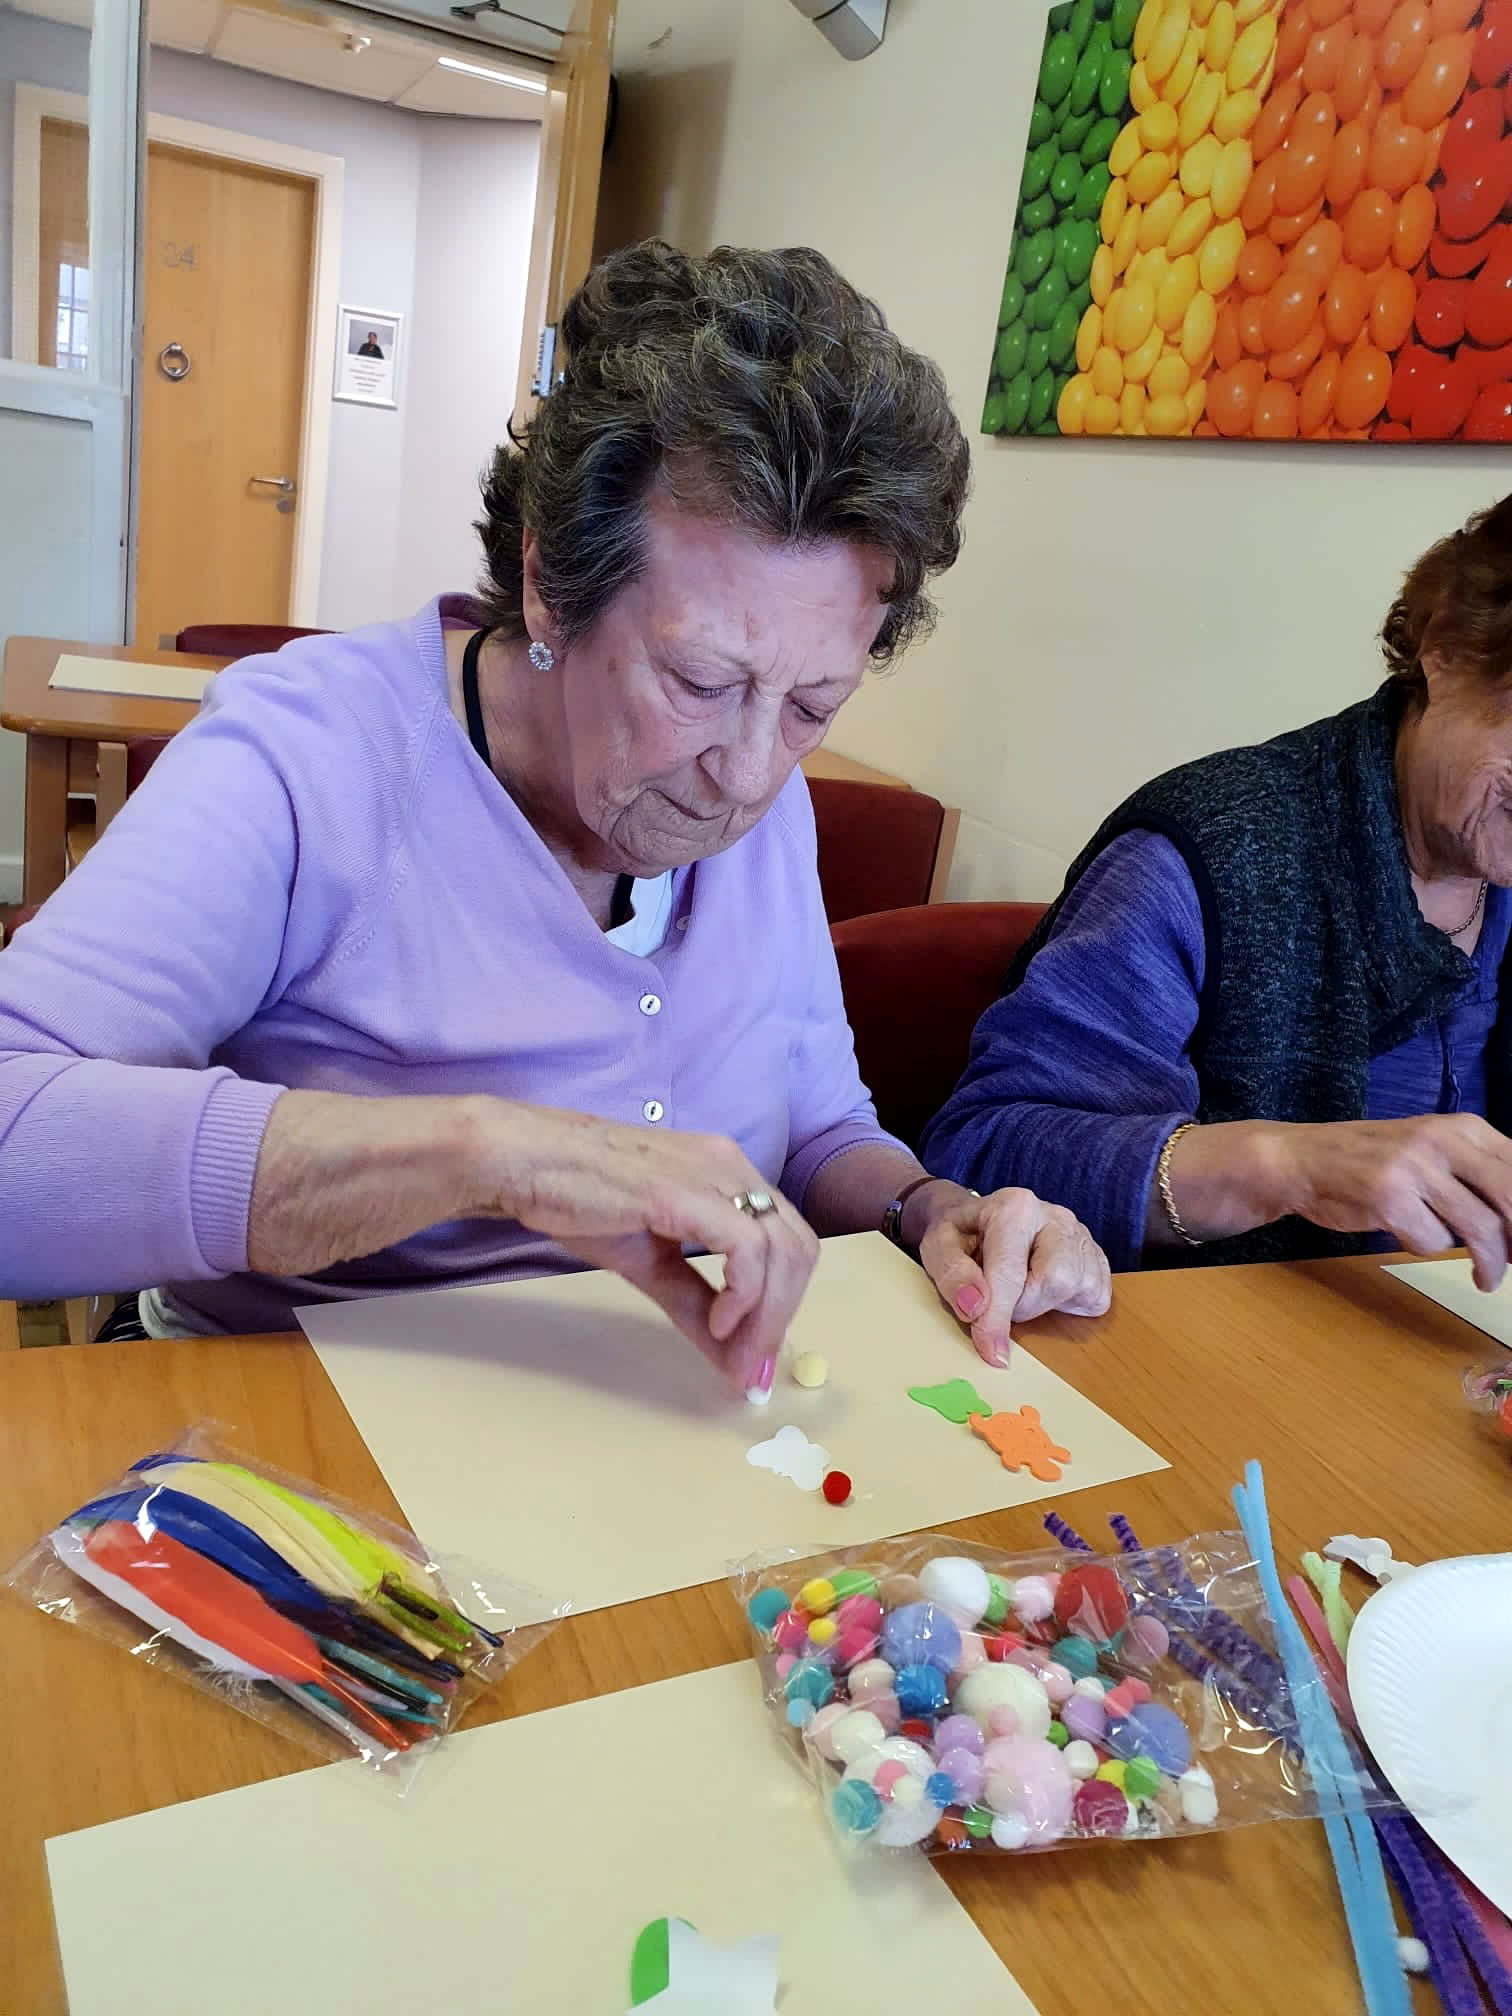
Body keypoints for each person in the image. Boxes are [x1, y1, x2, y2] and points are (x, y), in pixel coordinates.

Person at [0, 240, 1110, 1388]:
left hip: (646, 1424)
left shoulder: (757, 797)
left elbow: (820, 1125)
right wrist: (489, 1153)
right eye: (699, 682)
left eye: (812, 705)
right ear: (549, 586)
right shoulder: (309, 755)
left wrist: (927, 1209)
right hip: (291, 1414)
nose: (748, 776)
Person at [924, 493, 1512, 1288]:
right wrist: (1284, 1165)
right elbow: (980, 1151)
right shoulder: (1214, 849)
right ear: (1446, 652)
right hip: (1192, 1342)